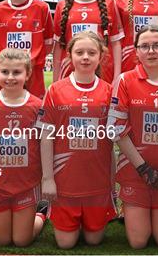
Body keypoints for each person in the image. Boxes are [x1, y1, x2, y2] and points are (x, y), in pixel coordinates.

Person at [107, 25, 158, 249]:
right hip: (136, 173)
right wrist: (143, 168)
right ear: (136, 52)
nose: (151, 51)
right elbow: (115, 129)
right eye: (144, 46)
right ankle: (132, 207)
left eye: (157, 45)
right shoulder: (124, 80)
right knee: (138, 242)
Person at [40, 31, 115, 249]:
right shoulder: (56, 90)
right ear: (69, 56)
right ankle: (42, 214)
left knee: (94, 240)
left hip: (97, 183)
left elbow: (113, 142)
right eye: (79, 52)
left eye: (91, 53)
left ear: (100, 56)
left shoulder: (109, 91)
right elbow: (46, 136)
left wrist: (112, 181)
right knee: (65, 244)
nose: (85, 57)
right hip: (65, 184)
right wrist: (47, 179)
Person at [0, 48, 45, 247]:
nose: (10, 77)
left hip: (26, 183)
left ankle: (41, 214)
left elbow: (44, 145)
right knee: (2, 240)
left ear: (28, 74)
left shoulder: (38, 106)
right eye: (5, 72)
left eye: (17, 72)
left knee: (22, 240)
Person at [53, 0, 123, 83]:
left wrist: (117, 76)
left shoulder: (109, 4)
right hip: (70, 72)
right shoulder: (62, 6)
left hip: (103, 72)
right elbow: (58, 46)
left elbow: (116, 43)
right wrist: (55, 78)